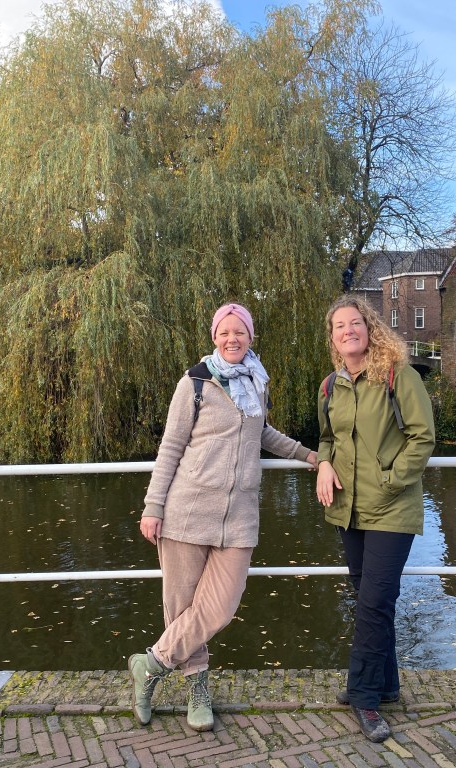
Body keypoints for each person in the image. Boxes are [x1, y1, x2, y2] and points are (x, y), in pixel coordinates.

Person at [129, 302, 317, 732]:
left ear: (251, 337)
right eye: (225, 332)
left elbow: (261, 431)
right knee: (181, 609)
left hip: (239, 518)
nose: (233, 339)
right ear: (214, 336)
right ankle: (197, 691)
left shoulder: (257, 381)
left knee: (220, 608)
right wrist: (153, 506)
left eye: (241, 332)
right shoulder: (194, 383)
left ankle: (150, 665)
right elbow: (171, 448)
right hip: (186, 513)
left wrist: (307, 454)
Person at [315, 295, 436, 743]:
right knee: (371, 599)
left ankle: (363, 697)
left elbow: (423, 437)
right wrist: (323, 463)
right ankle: (386, 685)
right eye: (339, 326)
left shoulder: (396, 376)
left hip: (392, 509)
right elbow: (326, 438)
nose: (348, 331)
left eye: (355, 323)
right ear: (333, 338)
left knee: (372, 605)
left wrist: (390, 480)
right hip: (347, 510)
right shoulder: (330, 386)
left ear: (369, 328)